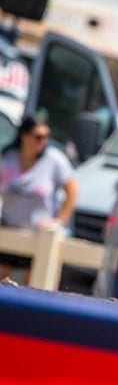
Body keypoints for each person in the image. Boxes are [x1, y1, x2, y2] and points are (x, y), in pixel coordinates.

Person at [0, 115, 78, 283]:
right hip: (9, 231)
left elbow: (72, 192)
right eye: (38, 137)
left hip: (39, 236)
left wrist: (58, 221)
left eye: (46, 137)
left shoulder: (54, 159)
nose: (43, 141)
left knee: (33, 284)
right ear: (24, 135)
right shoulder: (7, 158)